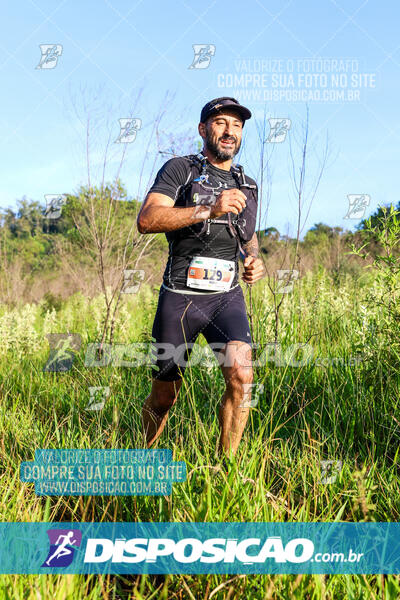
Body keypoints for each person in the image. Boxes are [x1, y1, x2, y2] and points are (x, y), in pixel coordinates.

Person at [137, 97, 265, 458]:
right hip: (181, 297)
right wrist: (209, 208)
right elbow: (147, 219)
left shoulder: (248, 185)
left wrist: (253, 259)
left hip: (227, 296)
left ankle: (226, 471)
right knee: (165, 395)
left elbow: (248, 236)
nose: (230, 131)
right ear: (203, 129)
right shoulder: (180, 169)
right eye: (222, 122)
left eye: (237, 125)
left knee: (242, 378)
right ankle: (145, 458)